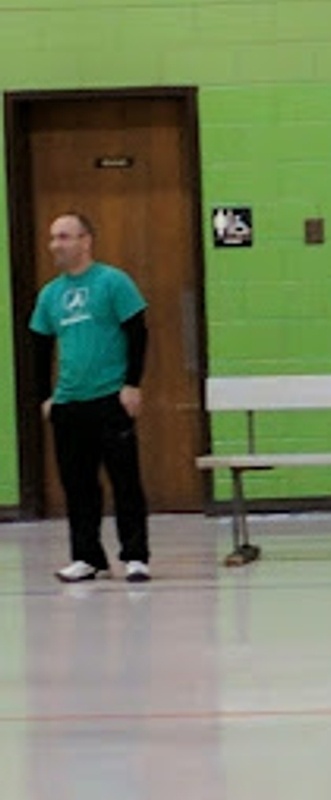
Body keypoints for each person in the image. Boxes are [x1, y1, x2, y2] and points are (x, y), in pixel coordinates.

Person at [30, 213, 152, 583]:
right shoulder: (50, 294)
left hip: (109, 398)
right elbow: (39, 346)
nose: (56, 245)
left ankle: (135, 556)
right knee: (78, 484)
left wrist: (132, 383)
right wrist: (45, 397)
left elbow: (137, 333)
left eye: (64, 237)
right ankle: (87, 556)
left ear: (86, 240)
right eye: (53, 238)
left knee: (125, 480)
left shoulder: (113, 282)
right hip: (69, 403)